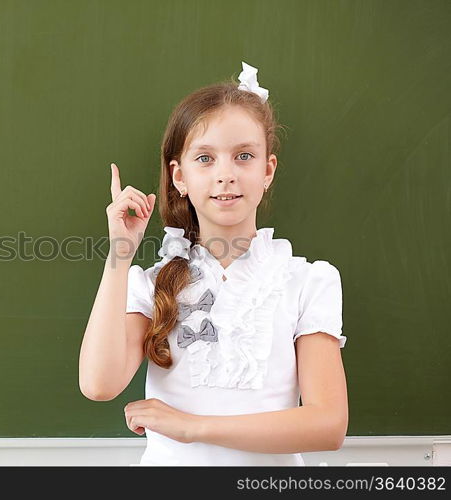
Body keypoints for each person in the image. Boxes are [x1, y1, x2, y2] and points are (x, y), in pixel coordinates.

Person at [78, 61, 348, 466]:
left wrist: (194, 427)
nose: (226, 174)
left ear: (267, 170)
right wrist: (121, 253)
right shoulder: (151, 285)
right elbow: (99, 384)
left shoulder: (307, 281)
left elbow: (328, 425)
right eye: (205, 159)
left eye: (243, 156)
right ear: (179, 177)